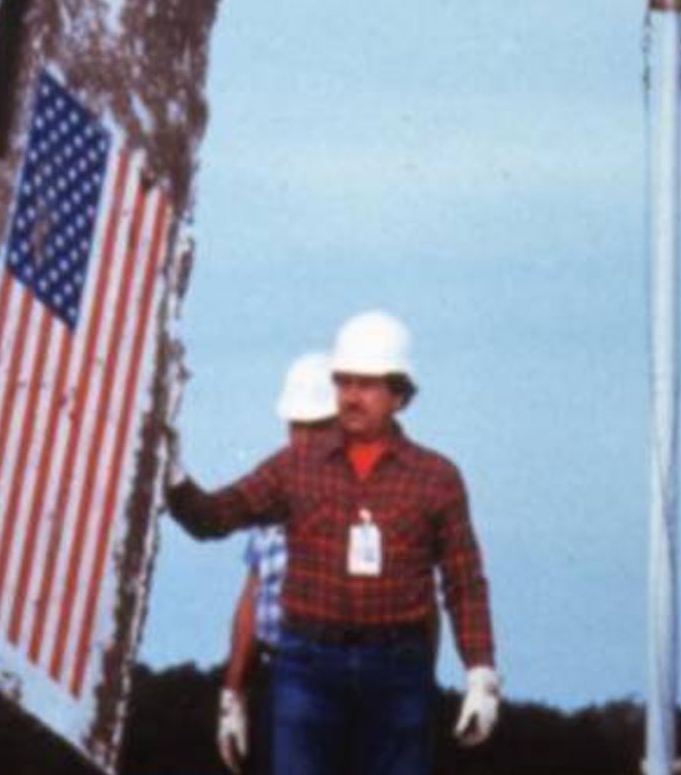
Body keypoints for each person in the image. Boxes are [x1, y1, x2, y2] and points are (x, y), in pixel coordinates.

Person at [167, 310, 499, 775]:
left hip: (397, 671)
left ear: (399, 395)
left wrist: (480, 672)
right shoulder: (294, 466)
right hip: (307, 667)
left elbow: (464, 582)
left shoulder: (437, 480)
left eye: (367, 384)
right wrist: (174, 477)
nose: (351, 396)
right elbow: (214, 518)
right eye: (344, 383)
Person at [217, 352, 336, 775]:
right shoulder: (273, 494)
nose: (302, 438)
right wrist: (233, 694)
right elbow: (253, 596)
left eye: (316, 426)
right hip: (276, 677)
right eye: (296, 426)